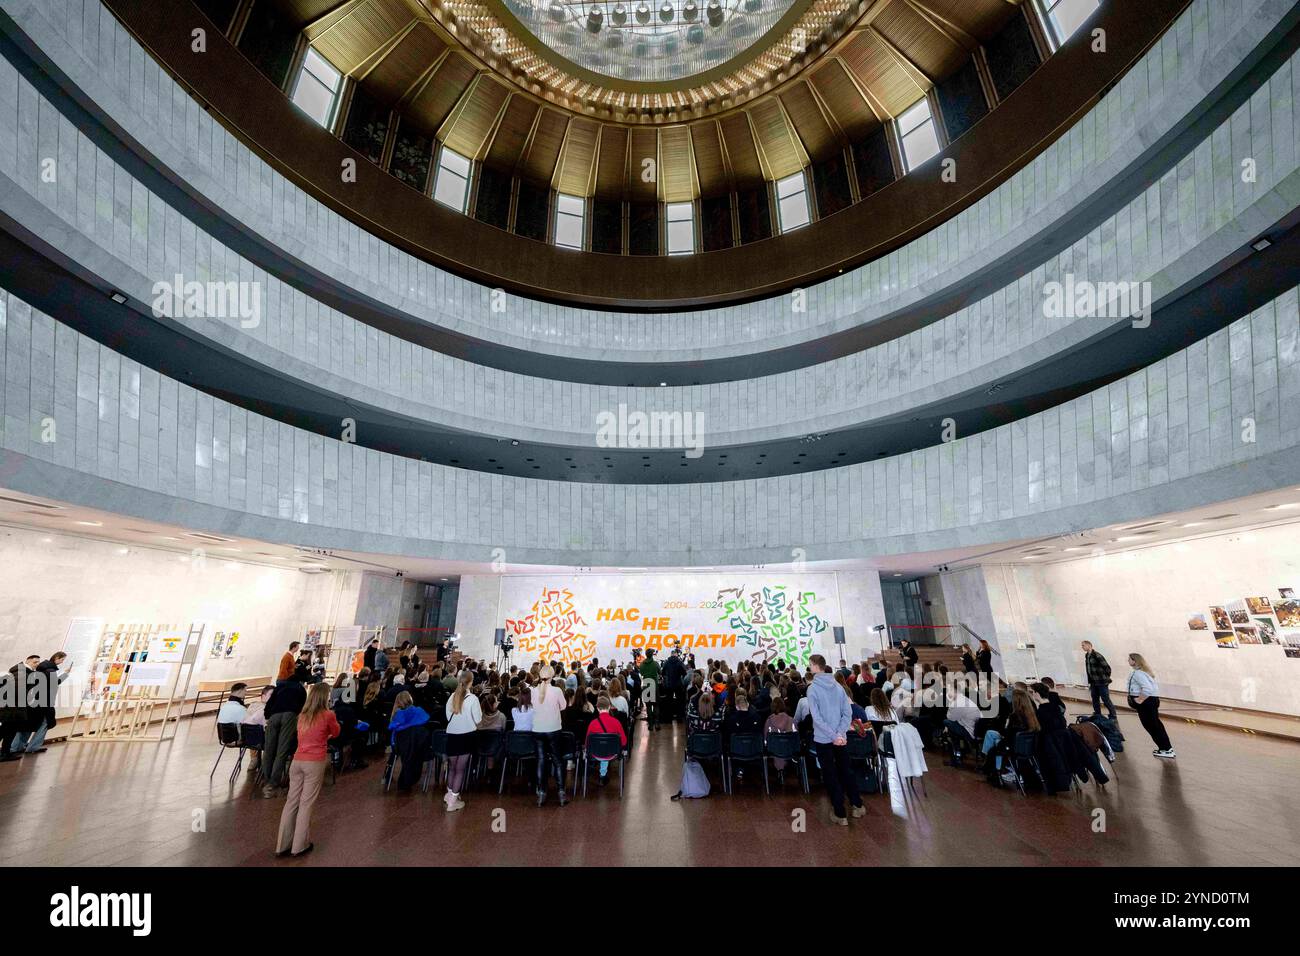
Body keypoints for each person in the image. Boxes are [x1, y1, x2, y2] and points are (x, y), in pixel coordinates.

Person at [275, 683, 338, 858]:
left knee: (291, 801)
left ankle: (282, 845)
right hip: (314, 761)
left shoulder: (302, 716)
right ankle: (299, 845)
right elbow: (336, 731)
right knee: (306, 803)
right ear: (325, 697)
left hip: (297, 760)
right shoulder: (328, 715)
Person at [805, 654, 864, 825]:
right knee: (846, 770)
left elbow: (816, 718)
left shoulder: (812, 689)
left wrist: (833, 735)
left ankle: (840, 813)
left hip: (824, 738)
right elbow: (847, 713)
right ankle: (857, 804)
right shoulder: (838, 687)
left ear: (815, 666)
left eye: (810, 665)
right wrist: (840, 733)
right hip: (840, 738)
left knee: (830, 774)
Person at [14, 652, 70, 754]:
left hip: (33, 701)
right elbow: (54, 684)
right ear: (57, 658)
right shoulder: (51, 670)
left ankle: (16, 747)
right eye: (62, 660)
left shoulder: (40, 669)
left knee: (27, 725)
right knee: (45, 723)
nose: (62, 662)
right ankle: (33, 747)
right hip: (44, 702)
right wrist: (65, 674)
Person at [262, 676, 306, 795]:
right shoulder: (300, 688)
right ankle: (273, 782)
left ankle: (266, 778)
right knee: (282, 750)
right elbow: (302, 707)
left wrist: (268, 716)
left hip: (274, 716)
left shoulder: (280, 687)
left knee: (269, 748)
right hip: (289, 716)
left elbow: (269, 703)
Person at [443, 672, 481, 811]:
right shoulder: (473, 699)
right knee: (460, 769)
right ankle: (453, 800)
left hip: (452, 734)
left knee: (452, 767)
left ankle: (449, 794)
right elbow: (478, 720)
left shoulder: (452, 697)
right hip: (467, 735)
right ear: (471, 683)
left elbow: (448, 716)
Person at [532, 665, 568, 806]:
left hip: (537, 729)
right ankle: (560, 793)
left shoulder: (533, 691)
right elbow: (564, 706)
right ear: (552, 676)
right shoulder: (557, 690)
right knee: (557, 761)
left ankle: (541, 793)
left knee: (541, 761)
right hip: (553, 729)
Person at [1127, 653, 1174, 758]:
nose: (1128, 661)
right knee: (1155, 725)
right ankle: (1166, 748)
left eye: (1129, 659)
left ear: (1135, 661)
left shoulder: (1138, 674)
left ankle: (1166, 749)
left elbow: (1147, 688)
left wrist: (1140, 700)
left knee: (1152, 726)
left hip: (1147, 703)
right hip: (1150, 702)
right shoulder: (1143, 672)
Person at [585, 695, 627, 785]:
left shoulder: (592, 723)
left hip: (595, 753)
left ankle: (600, 774)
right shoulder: (616, 722)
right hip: (612, 754)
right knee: (606, 750)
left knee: (602, 750)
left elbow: (587, 743)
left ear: (597, 709)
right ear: (609, 707)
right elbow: (624, 741)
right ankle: (602, 775)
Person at [1082, 641, 1117, 720]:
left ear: (1089, 645)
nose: (1082, 647)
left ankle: (1113, 715)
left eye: (1083, 645)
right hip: (1093, 682)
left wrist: (1104, 678)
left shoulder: (1097, 655)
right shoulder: (1087, 655)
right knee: (1094, 698)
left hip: (1102, 682)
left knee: (1105, 699)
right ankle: (1097, 714)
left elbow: (1107, 668)